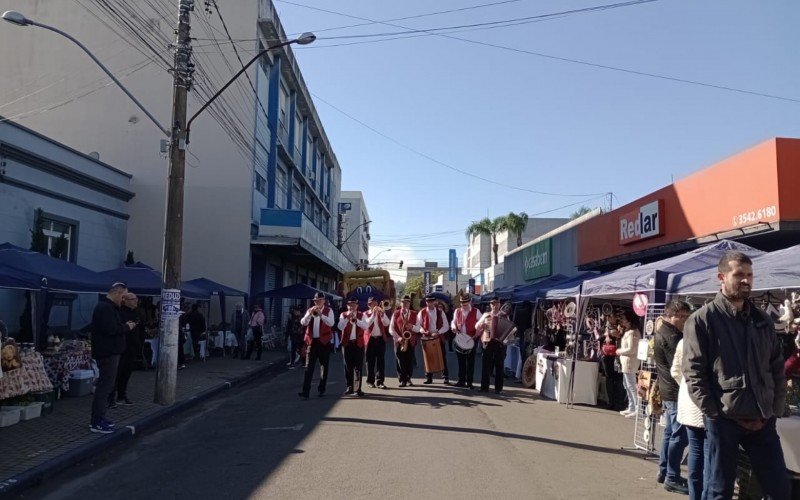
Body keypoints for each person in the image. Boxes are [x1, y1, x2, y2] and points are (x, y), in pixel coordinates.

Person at [683, 251, 789, 500]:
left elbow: (776, 367)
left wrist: (774, 408)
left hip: (763, 419)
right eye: (739, 274)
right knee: (719, 491)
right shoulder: (702, 320)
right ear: (721, 277)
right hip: (724, 420)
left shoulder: (762, 320)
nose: (746, 280)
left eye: (749, 275)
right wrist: (715, 413)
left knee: (779, 490)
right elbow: (694, 373)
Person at [654, 299, 691, 494]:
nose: (684, 320)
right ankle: (672, 476)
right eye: (682, 317)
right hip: (675, 391)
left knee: (671, 433)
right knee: (679, 435)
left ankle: (665, 471)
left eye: (686, 316)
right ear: (671, 315)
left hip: (668, 389)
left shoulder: (665, 332)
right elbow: (680, 367)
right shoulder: (672, 336)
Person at [89, 282, 136, 434]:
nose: (124, 300)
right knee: (105, 387)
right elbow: (111, 329)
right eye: (123, 297)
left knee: (106, 386)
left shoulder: (110, 308)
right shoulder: (104, 308)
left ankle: (100, 418)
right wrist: (127, 327)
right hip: (107, 353)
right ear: (116, 293)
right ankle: (97, 420)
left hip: (111, 352)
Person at [671, 338, 706, 500]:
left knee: (696, 451)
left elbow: (675, 371)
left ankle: (695, 495)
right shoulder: (720, 336)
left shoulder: (684, 341)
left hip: (689, 401)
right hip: (708, 405)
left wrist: (685, 386)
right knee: (708, 453)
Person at [108, 293, 143, 407]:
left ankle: (122, 395)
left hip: (133, 347)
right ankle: (111, 397)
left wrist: (139, 345)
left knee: (126, 372)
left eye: (136, 299)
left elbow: (140, 330)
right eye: (133, 299)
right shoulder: (120, 312)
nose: (136, 301)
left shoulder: (137, 312)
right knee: (117, 373)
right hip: (121, 347)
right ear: (126, 300)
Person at [298, 292, 335, 398]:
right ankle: (305, 391)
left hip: (324, 342)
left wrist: (321, 315)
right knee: (309, 367)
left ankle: (321, 389)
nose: (317, 302)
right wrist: (310, 314)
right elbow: (303, 322)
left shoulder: (329, 311)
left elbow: (331, 323)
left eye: (319, 300)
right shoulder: (310, 310)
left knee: (324, 367)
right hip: (312, 342)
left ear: (324, 301)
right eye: (315, 301)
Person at [338, 297, 369, 396]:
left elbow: (366, 326)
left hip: (358, 343)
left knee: (358, 366)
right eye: (350, 305)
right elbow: (340, 327)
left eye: (354, 305)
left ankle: (358, 388)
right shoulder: (343, 315)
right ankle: (349, 387)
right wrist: (347, 318)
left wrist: (357, 321)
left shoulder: (361, 315)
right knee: (348, 366)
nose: (352, 307)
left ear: (357, 306)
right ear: (347, 306)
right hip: (347, 343)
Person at [476, 298, 508, 394]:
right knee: (486, 365)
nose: (494, 305)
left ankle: (498, 389)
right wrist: (482, 325)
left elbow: (509, 329)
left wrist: (505, 340)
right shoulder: (486, 315)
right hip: (488, 342)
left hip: (499, 343)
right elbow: (476, 325)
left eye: (496, 303)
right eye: (492, 304)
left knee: (499, 366)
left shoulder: (504, 315)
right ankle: (484, 387)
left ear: (499, 304)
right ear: (490, 305)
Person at [451, 293, 482, 389]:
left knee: (470, 362)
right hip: (460, 339)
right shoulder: (457, 311)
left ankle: (469, 382)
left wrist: (478, 331)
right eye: (462, 303)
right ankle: (461, 381)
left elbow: (482, 323)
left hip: (471, 339)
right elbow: (453, 321)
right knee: (461, 361)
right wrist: (453, 327)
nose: (464, 305)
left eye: (466, 303)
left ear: (470, 302)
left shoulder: (476, 311)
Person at [417, 295, 450, 385]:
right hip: (426, 337)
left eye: (431, 302)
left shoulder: (440, 312)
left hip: (438, 337)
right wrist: (423, 330)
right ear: (426, 302)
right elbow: (418, 325)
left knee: (442, 357)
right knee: (428, 358)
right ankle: (429, 377)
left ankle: (445, 377)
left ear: (435, 302)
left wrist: (438, 332)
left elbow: (446, 326)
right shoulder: (422, 312)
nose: (430, 304)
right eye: (428, 302)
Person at [616, 309, 641, 418]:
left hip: (630, 361)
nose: (623, 322)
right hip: (626, 362)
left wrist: (619, 351)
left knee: (631, 385)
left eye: (625, 320)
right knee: (627, 385)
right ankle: (631, 406)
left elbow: (631, 349)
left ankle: (637, 408)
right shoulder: (629, 331)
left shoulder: (633, 332)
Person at [390, 295, 418, 387]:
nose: (405, 304)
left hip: (410, 340)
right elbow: (391, 329)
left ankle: (408, 377)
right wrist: (398, 337)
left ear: (410, 303)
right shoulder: (396, 313)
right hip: (399, 340)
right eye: (403, 302)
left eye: (407, 302)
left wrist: (412, 327)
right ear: (400, 303)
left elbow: (419, 328)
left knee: (409, 361)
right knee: (400, 360)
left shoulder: (414, 314)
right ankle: (403, 379)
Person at [363, 296, 391, 389]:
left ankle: (380, 382)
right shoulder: (365, 314)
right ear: (368, 305)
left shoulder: (381, 313)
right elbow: (367, 324)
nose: (375, 305)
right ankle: (370, 381)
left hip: (380, 339)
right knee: (370, 361)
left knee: (381, 362)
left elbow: (387, 323)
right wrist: (373, 314)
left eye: (376, 303)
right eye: (372, 304)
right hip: (370, 340)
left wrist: (383, 314)